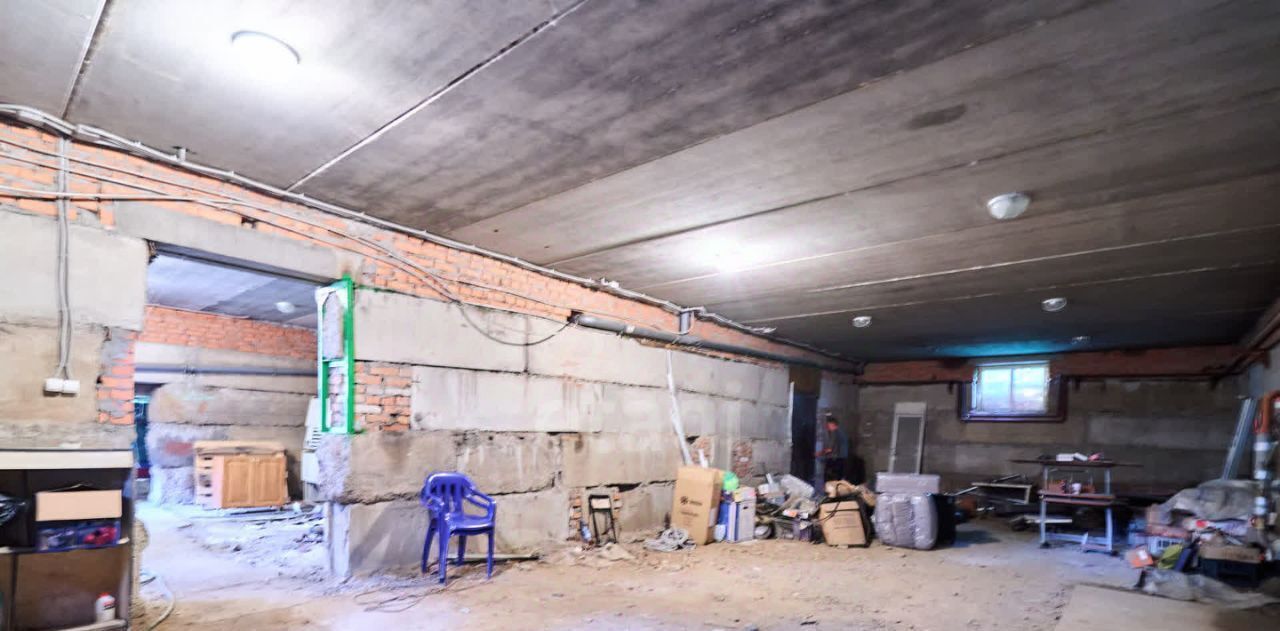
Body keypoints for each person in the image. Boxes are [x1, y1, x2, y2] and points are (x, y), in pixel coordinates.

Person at [817, 414, 849, 482]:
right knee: (838, 480)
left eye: (828, 425)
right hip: (842, 460)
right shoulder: (841, 433)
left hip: (835, 459)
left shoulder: (834, 433)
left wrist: (819, 453)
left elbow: (829, 449)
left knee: (829, 479)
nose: (827, 427)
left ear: (833, 424)